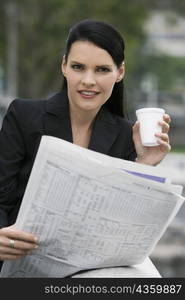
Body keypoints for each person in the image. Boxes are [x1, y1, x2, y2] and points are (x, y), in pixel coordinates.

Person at [0, 19, 171, 270]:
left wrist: (144, 164)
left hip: (87, 271)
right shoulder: (24, 116)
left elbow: (122, 227)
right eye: (78, 67)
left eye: (102, 69)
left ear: (120, 72)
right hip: (18, 264)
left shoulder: (126, 134)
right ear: (64, 66)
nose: (88, 80)